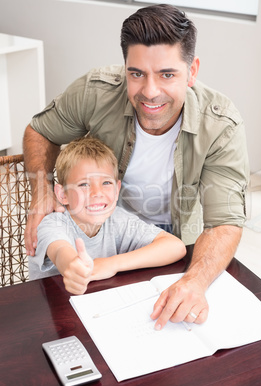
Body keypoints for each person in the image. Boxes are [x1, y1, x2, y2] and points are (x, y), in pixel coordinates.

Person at [23, 4, 249, 329]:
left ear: (192, 71)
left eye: (167, 74)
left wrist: (196, 280)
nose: (150, 91)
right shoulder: (96, 92)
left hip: (170, 246)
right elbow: (40, 130)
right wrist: (42, 190)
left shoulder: (221, 124)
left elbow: (224, 222)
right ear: (125, 67)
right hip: (105, 232)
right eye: (136, 73)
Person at [28, 136, 186, 294]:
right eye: (84, 184)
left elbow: (175, 247)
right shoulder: (52, 224)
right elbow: (59, 250)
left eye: (106, 183)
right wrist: (73, 265)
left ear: (117, 190)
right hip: (53, 309)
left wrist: (111, 264)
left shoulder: (117, 218)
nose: (97, 193)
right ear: (63, 194)